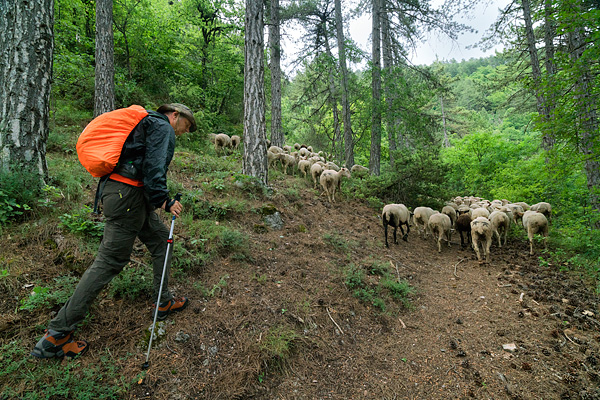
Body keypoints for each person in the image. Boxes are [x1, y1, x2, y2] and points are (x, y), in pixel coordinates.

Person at [31, 103, 197, 359]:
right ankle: (56, 335)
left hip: (127, 195)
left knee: (163, 240)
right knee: (109, 262)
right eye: (185, 127)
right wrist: (164, 200)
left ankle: (163, 302)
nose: (182, 133)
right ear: (175, 116)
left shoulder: (145, 125)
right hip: (128, 197)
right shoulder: (162, 126)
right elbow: (154, 167)